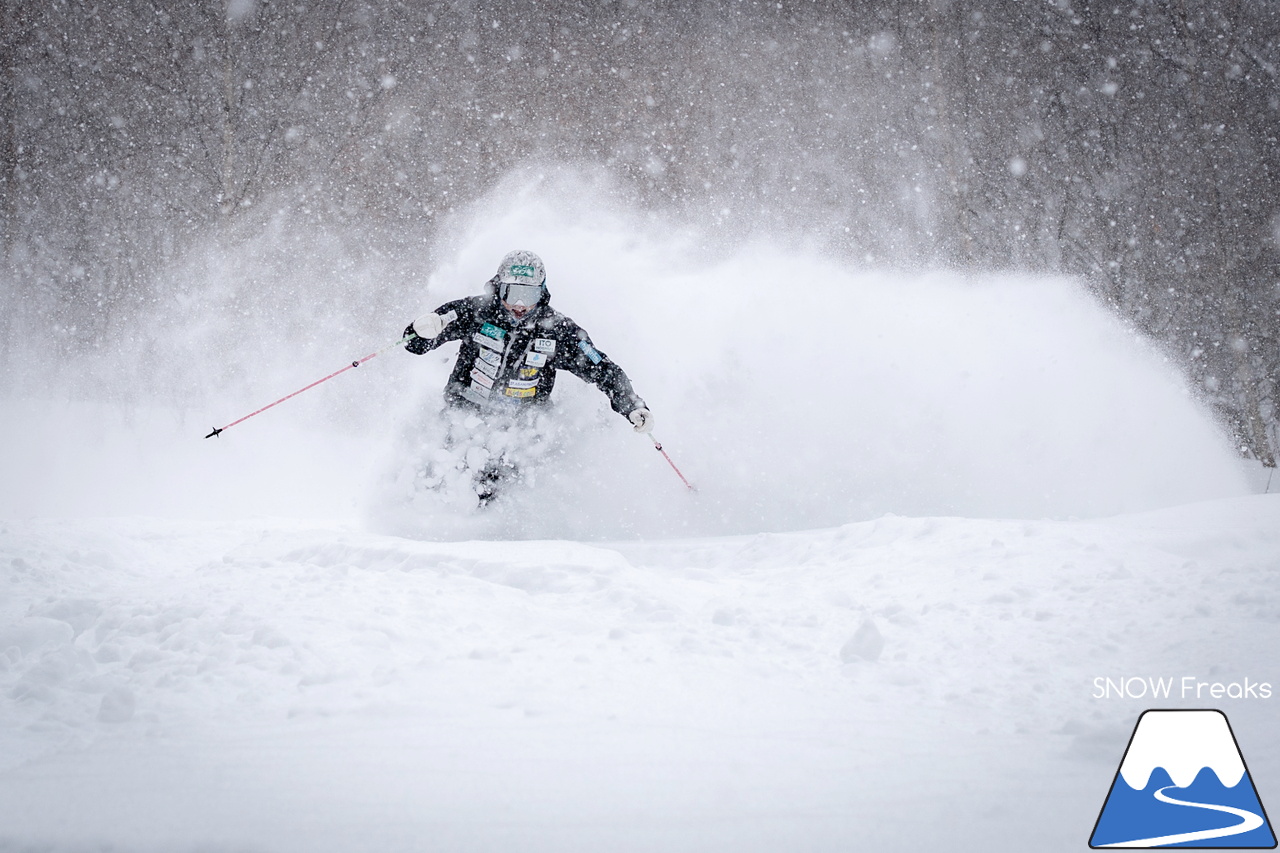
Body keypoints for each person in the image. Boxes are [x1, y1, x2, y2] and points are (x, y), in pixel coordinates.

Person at [403, 250, 652, 505]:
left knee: (490, 491)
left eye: (530, 295)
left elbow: (603, 369)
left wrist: (632, 406)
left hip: (518, 430)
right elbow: (415, 344)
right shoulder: (473, 311)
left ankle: (500, 532)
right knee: (437, 478)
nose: (520, 305)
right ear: (499, 288)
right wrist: (420, 331)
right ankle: (415, 522)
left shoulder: (557, 330)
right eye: (513, 293)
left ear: (542, 293)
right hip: (462, 416)